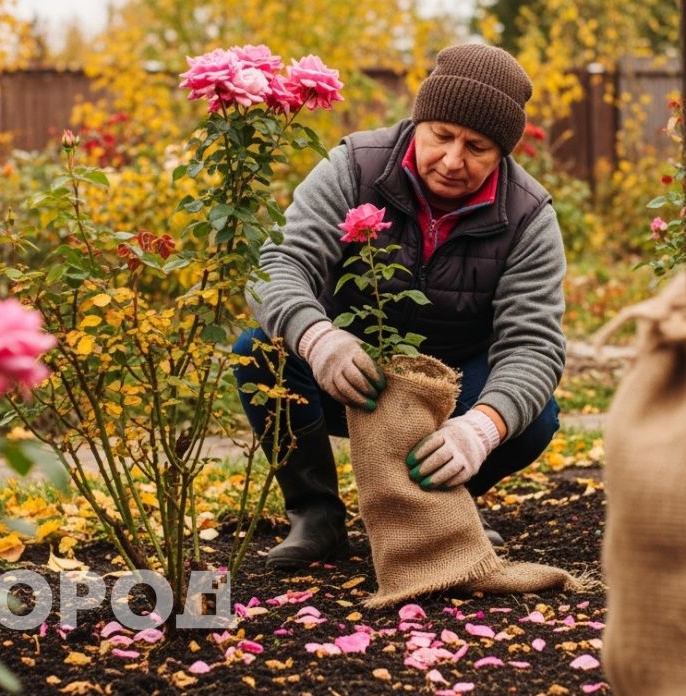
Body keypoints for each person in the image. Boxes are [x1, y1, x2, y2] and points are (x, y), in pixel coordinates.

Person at [234, 43, 565, 570]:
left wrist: (478, 430)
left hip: (450, 386)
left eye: (477, 147)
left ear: (503, 151)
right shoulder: (354, 166)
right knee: (259, 352)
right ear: (419, 121)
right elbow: (278, 264)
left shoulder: (528, 215)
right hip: (351, 370)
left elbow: (535, 344)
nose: (453, 160)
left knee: (535, 416)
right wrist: (320, 340)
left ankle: (439, 508)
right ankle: (316, 516)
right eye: (442, 136)